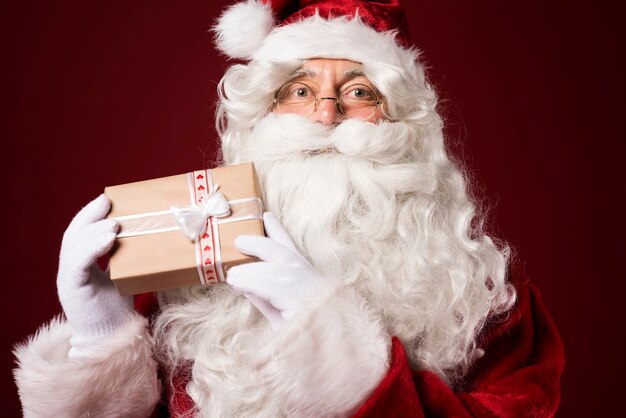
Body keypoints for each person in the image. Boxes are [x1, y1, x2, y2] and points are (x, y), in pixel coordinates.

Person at [13, 1, 564, 417]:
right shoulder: (188, 288)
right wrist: (101, 341)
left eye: (359, 93)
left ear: (401, 123)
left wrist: (354, 367)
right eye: (299, 92)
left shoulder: (481, 291)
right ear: (264, 114)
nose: (325, 114)